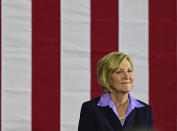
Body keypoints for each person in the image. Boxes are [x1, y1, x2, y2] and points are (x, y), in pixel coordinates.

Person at [78, 52, 154, 131]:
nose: (127, 76)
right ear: (106, 77)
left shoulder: (145, 111)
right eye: (119, 72)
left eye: (129, 71)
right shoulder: (90, 109)